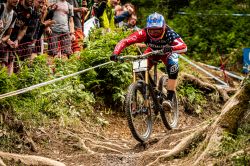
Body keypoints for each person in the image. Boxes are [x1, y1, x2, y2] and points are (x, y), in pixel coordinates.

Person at [110, 12, 187, 111]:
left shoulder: (169, 33)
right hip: (152, 51)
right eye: (152, 31)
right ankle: (147, 91)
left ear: (163, 28)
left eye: (157, 31)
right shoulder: (143, 33)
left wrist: (171, 48)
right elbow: (126, 41)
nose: (154, 33)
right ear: (147, 28)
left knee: (173, 67)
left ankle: (169, 98)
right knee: (138, 68)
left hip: (167, 52)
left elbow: (184, 47)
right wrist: (115, 53)